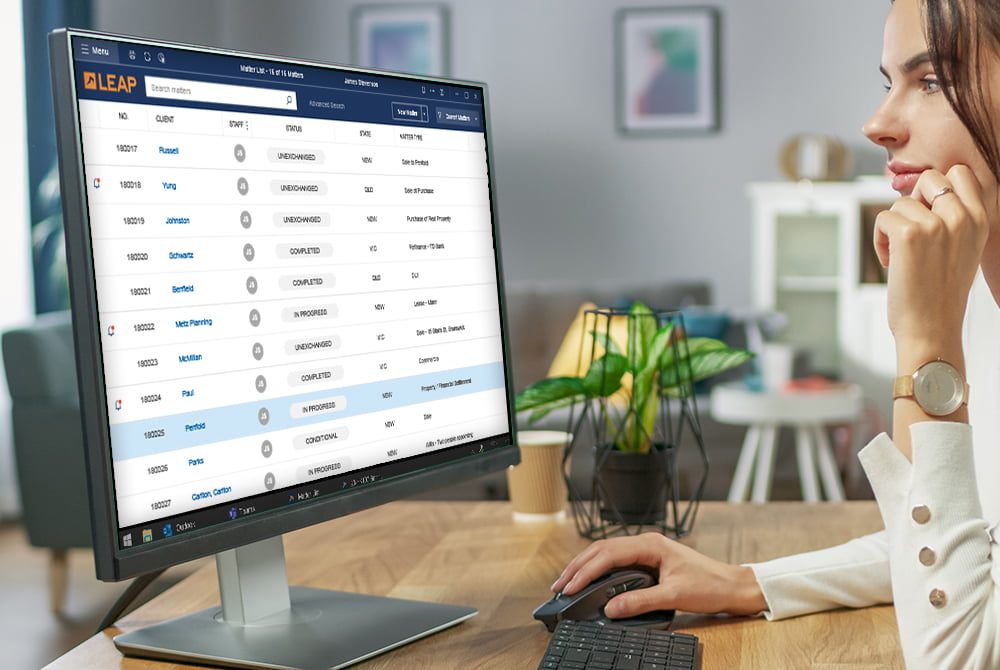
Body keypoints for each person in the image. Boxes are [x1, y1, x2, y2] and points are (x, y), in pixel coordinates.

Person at [551, 1, 1000, 667]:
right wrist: (742, 582)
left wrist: (925, 342)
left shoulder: (950, 313)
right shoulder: (982, 304)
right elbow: (963, 546)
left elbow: (956, 655)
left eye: (931, 80)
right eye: (889, 83)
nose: (876, 125)